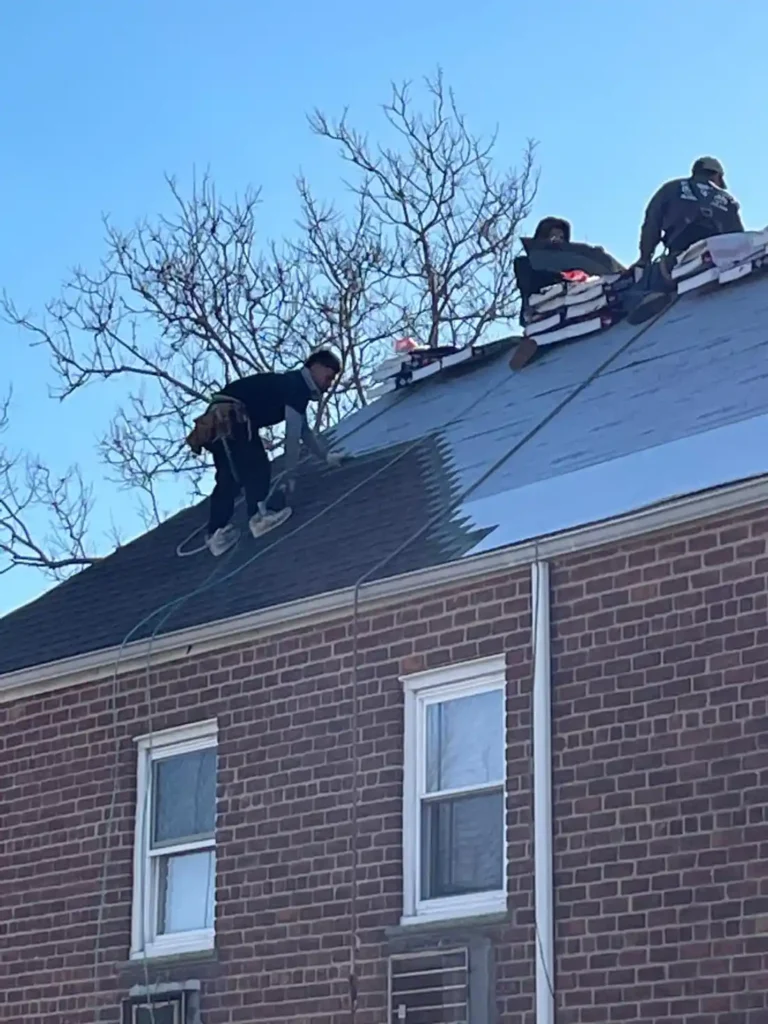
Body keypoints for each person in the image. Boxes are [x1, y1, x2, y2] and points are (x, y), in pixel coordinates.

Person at [186, 349, 345, 556]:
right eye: (329, 376)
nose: (329, 383)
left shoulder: (289, 384)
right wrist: (290, 476)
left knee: (229, 478)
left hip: (215, 422)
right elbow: (292, 436)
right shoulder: (297, 386)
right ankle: (259, 516)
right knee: (257, 467)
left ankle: (216, 534)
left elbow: (303, 430)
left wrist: (325, 456)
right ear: (316, 367)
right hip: (235, 417)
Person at [628, 156, 744, 324]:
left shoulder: (671, 188)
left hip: (680, 261)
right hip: (721, 259)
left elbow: (651, 225)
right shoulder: (727, 199)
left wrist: (644, 259)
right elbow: (739, 238)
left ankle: (649, 298)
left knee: (633, 289)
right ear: (717, 176)